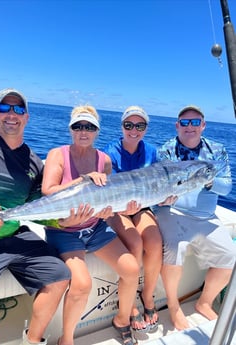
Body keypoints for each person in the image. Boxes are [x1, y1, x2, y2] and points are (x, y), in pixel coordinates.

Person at [0, 88, 71, 345]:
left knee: (60, 276)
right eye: (4, 108)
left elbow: (35, 208)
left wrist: (60, 221)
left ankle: (32, 340)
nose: (12, 114)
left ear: (27, 117)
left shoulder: (34, 162)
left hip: (15, 235)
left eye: (19, 109)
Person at [42, 105, 140, 345]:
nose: (83, 131)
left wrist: (119, 211)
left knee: (131, 269)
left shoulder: (103, 160)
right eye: (78, 126)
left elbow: (108, 201)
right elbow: (48, 191)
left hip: (95, 228)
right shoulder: (58, 153)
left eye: (89, 127)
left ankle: (122, 318)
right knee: (82, 284)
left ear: (97, 130)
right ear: (71, 129)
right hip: (64, 230)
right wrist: (82, 180)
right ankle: (67, 339)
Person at [155, 105, 236, 330]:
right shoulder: (167, 150)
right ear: (177, 125)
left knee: (230, 256)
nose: (189, 127)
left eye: (195, 122)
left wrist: (208, 180)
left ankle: (205, 302)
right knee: (175, 246)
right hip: (172, 211)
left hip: (205, 217)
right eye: (185, 122)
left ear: (203, 125)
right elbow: (162, 185)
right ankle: (173, 307)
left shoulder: (217, 150)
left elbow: (227, 187)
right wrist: (162, 197)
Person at [103, 105, 162, 333]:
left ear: (145, 128)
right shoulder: (109, 152)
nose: (134, 130)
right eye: (129, 125)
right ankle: (129, 306)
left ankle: (147, 295)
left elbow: (158, 184)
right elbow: (108, 190)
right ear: (122, 127)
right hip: (117, 208)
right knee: (135, 242)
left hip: (141, 206)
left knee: (155, 242)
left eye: (140, 125)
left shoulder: (152, 152)